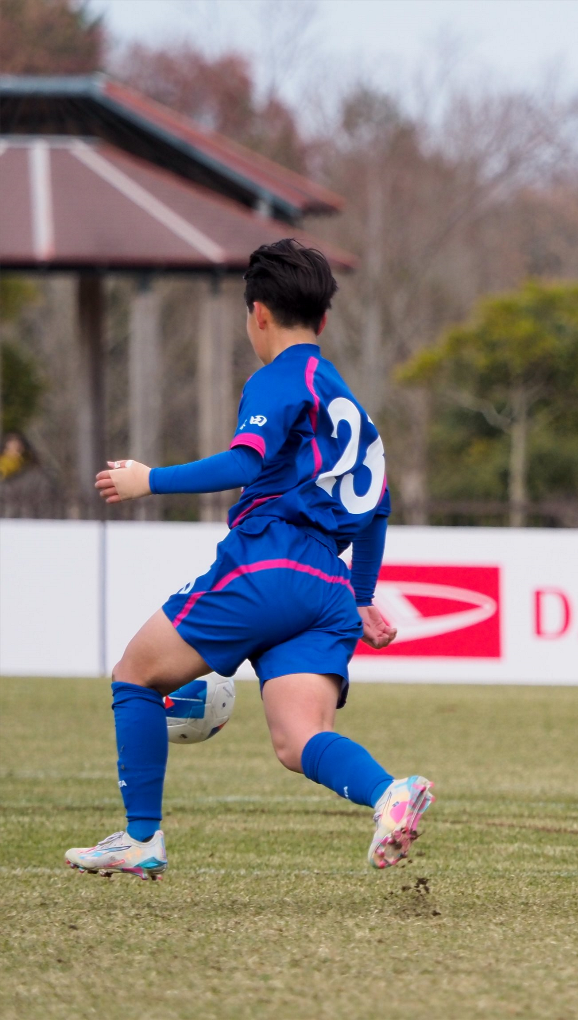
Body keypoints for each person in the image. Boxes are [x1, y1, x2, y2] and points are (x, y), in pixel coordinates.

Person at [66, 240, 433, 880]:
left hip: (267, 564)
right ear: (322, 320)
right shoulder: (349, 407)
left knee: (134, 674)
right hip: (326, 590)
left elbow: (244, 461)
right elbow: (379, 505)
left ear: (257, 314)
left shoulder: (276, 379)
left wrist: (149, 480)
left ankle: (141, 839)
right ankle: (387, 795)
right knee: (298, 741)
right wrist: (362, 593)